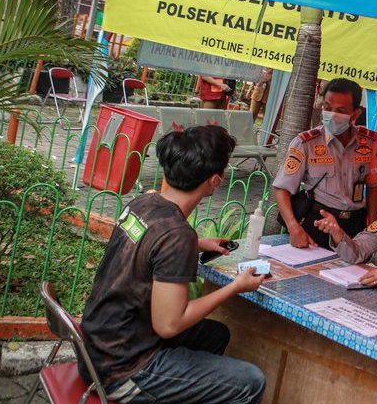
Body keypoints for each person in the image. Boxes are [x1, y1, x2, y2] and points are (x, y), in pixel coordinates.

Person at [80, 125, 267, 404]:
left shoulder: (145, 202)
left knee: (215, 335)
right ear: (215, 181)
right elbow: (169, 324)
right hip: (123, 369)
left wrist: (198, 243)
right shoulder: (177, 234)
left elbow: (151, 244)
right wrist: (235, 287)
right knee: (251, 382)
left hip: (96, 349)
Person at [272, 78, 377, 249]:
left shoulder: (369, 143)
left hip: (354, 226)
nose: (332, 114)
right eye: (327, 108)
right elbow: (281, 188)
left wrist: (371, 230)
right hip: (317, 223)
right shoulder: (306, 143)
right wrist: (293, 227)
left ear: (356, 114)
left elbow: (374, 188)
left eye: (340, 110)